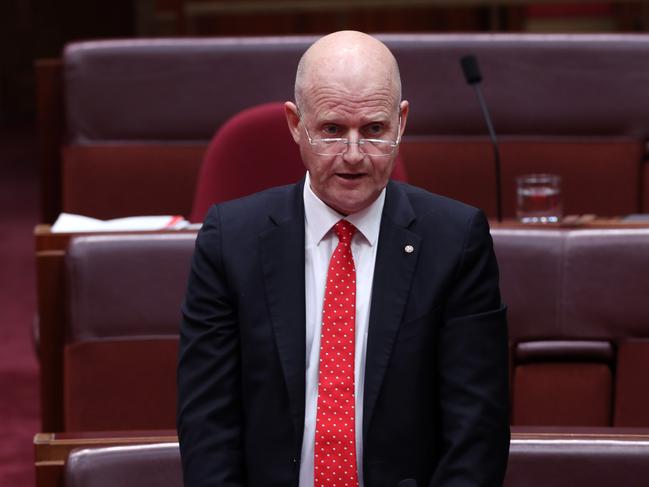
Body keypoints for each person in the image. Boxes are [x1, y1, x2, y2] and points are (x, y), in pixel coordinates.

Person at [177, 31, 510, 487]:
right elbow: (207, 424)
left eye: (373, 130)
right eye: (332, 130)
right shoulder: (230, 240)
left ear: (401, 122)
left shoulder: (455, 241)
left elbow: (477, 432)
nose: (353, 156)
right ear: (296, 124)